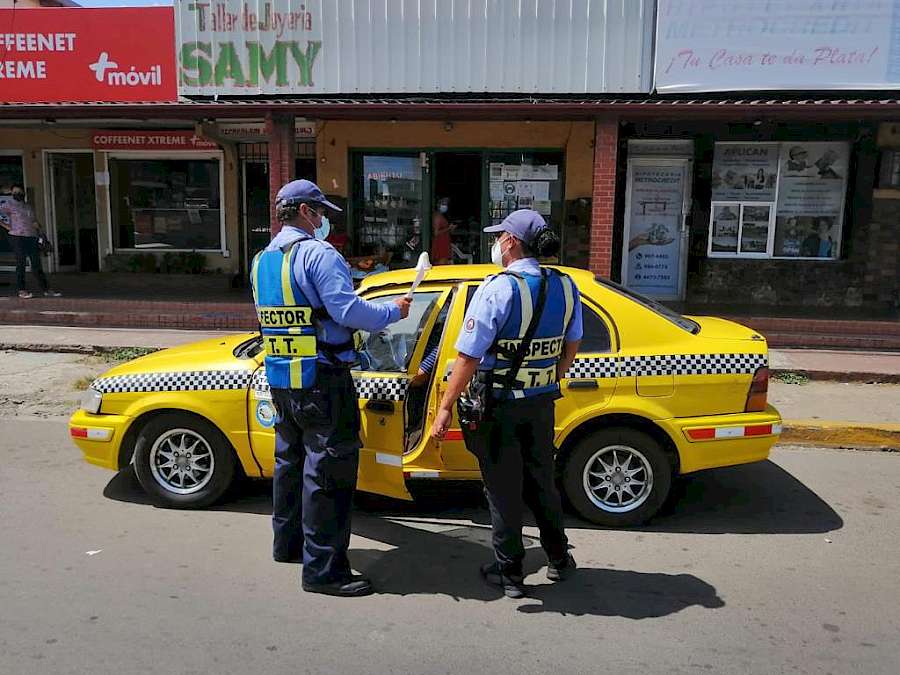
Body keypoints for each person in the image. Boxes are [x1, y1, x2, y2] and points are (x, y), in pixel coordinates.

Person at [250, 179, 411, 598]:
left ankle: (288, 546)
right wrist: (393, 311)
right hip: (323, 378)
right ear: (305, 212)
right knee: (327, 475)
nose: (323, 221)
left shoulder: (262, 260)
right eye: (320, 213)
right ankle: (324, 572)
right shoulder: (319, 255)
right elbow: (348, 310)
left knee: (289, 464)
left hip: (283, 376)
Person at [431, 209, 582, 598]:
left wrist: (446, 406)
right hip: (541, 403)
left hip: (500, 406)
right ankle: (559, 560)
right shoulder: (565, 286)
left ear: (511, 242)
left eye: (499, 236)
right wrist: (550, 376)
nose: (496, 243)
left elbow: (467, 357)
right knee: (541, 482)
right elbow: (572, 344)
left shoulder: (498, 288)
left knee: (502, 488)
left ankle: (509, 572)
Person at [0, 184, 60, 299]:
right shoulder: (9, 205)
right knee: (21, 262)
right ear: (12, 194)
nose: (17, 194)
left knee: (36, 264)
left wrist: (37, 226)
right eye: (15, 192)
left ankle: (47, 289)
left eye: (19, 192)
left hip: (31, 236)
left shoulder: (28, 206)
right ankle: (21, 290)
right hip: (17, 236)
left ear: (23, 192)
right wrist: (6, 226)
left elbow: (33, 220)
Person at [431, 198, 452, 264]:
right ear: (438, 205)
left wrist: (450, 229)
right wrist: (449, 228)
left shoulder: (441, 216)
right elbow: (436, 233)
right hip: (440, 243)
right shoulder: (437, 216)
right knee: (441, 262)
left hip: (444, 242)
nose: (445, 206)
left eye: (446, 204)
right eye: (443, 204)